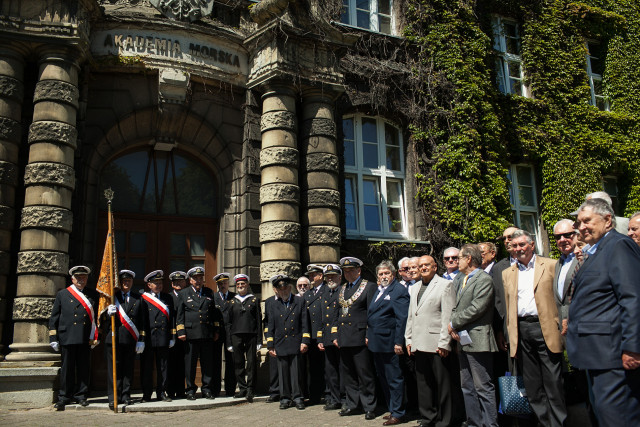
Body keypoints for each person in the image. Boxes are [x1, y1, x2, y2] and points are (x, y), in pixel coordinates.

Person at [567, 198, 640, 425]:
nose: (581, 227)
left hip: (613, 355)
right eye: (579, 222)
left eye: (587, 220)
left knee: (618, 419)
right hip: (596, 354)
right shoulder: (598, 250)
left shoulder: (619, 246)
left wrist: (632, 347)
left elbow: (632, 298)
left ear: (608, 220)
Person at [502, 230, 566, 427]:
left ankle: (558, 423)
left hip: (545, 327)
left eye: (522, 245)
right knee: (532, 383)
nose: (519, 249)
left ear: (532, 245)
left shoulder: (551, 265)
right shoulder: (507, 273)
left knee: (553, 381)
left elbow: (560, 298)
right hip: (521, 330)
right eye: (515, 246)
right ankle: (543, 422)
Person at [448, 244, 499, 427]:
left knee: (483, 386)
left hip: (478, 339)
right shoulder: (461, 279)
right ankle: (474, 423)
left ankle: (490, 423)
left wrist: (454, 322)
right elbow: (455, 305)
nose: (456, 261)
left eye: (459, 257)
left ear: (469, 258)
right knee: (467, 386)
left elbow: (477, 308)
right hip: (462, 340)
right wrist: (452, 323)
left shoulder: (483, 279)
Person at [405, 255, 456, 427]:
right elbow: (412, 315)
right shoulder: (416, 287)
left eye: (427, 265)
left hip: (436, 344)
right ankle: (428, 418)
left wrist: (444, 342)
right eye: (420, 265)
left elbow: (447, 316)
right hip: (419, 343)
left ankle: (445, 421)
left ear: (435, 267)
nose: (423, 268)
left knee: (443, 385)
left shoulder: (445, 285)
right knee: (423, 385)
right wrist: (408, 339)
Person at [49, 266, 99, 410]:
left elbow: (96, 318)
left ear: (87, 279)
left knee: (83, 367)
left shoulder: (92, 295)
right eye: (78, 278)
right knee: (67, 369)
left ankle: (81, 395)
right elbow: (54, 317)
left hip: (84, 336)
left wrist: (97, 335)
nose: (81, 280)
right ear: (72, 279)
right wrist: (53, 338)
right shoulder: (63, 294)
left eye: (83, 278)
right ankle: (64, 396)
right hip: (67, 336)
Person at [367, 260, 410, 426]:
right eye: (381, 274)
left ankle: (399, 413)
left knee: (394, 378)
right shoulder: (380, 291)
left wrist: (399, 341)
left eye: (386, 273)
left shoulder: (398, 290)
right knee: (383, 377)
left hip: (390, 342)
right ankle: (393, 408)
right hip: (377, 342)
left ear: (393, 274)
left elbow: (401, 318)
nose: (383, 276)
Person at [335, 257, 378, 420]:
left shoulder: (369, 287)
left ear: (358, 270)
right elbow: (338, 314)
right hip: (344, 337)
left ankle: (369, 406)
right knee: (349, 374)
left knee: (364, 373)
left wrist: (368, 334)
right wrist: (336, 335)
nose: (348, 273)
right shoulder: (343, 288)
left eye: (351, 270)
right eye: (345, 271)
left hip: (360, 337)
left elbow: (371, 313)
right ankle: (353, 404)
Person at [176, 266, 222, 400]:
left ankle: (207, 389)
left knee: (207, 363)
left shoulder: (209, 292)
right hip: (190, 334)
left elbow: (214, 314)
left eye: (200, 278)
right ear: (190, 280)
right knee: (190, 364)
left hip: (206, 333)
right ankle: (190, 390)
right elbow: (180, 315)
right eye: (195, 278)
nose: (198, 281)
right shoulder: (184, 294)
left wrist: (216, 330)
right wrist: (181, 331)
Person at [266, 274, 310, 410]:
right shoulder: (273, 304)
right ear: (277, 291)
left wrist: (305, 341)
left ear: (290, 288)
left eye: (285, 289)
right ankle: (284, 398)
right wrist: (270, 345)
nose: (283, 292)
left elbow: (304, 323)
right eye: (281, 290)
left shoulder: (299, 301)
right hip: (280, 343)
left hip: (295, 341)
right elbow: (270, 325)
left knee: (296, 372)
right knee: (283, 373)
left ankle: (298, 398)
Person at [103, 269, 145, 409]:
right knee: (114, 369)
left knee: (128, 369)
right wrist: (108, 314)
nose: (126, 283)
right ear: (119, 283)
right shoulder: (111, 297)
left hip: (130, 339)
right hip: (114, 338)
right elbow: (101, 322)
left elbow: (142, 321)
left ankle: (126, 395)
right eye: (124, 281)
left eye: (129, 281)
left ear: (132, 282)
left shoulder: (137, 298)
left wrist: (141, 339)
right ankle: (113, 396)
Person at [140, 270, 176, 403]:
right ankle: (147, 394)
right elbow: (142, 320)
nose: (159, 285)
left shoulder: (167, 298)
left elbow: (172, 318)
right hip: (149, 338)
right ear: (149, 285)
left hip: (163, 337)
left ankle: (162, 392)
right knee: (147, 368)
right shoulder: (143, 298)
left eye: (160, 283)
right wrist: (141, 339)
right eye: (156, 283)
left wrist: (172, 336)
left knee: (163, 368)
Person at [225, 274, 261, 402]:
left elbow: (258, 321)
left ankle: (251, 388)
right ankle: (242, 388)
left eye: (243, 284)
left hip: (251, 335)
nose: (240, 286)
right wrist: (229, 342)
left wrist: (259, 340)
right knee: (238, 363)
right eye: (238, 285)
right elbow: (228, 323)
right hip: (236, 335)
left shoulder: (254, 300)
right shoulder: (232, 302)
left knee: (251, 363)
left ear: (247, 285)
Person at [318, 263, 343, 411]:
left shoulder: (343, 291)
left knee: (343, 370)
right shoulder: (325, 294)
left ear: (340, 277)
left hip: (340, 338)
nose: (330, 279)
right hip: (327, 339)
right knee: (330, 371)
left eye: (333, 276)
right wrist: (320, 338)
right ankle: (335, 399)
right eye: (328, 277)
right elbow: (322, 318)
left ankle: (345, 398)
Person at [303, 264, 326, 404]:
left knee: (327, 367)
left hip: (323, 336)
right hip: (310, 336)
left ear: (321, 276)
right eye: (310, 275)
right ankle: (315, 395)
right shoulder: (308, 294)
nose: (311, 277)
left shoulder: (327, 290)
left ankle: (328, 395)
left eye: (313, 275)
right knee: (313, 367)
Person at [551, 219, 579, 337]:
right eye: (558, 237)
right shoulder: (558, 264)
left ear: (577, 235)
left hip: (580, 323)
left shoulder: (584, 259)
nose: (562, 240)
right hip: (564, 328)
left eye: (567, 235)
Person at [212, 272, 236, 397]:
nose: (223, 285)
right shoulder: (213, 297)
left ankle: (230, 389)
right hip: (217, 332)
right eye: (220, 283)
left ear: (228, 284)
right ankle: (215, 389)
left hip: (231, 333)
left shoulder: (234, 296)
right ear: (217, 285)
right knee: (216, 361)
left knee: (230, 361)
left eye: (225, 283)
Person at [167, 271, 187, 399]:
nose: (178, 284)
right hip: (171, 336)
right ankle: (170, 391)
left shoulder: (188, 295)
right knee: (170, 365)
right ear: (172, 284)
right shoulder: (168, 297)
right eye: (175, 282)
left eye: (180, 281)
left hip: (185, 336)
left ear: (185, 282)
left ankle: (181, 391)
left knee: (183, 364)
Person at [263, 281, 280, 403]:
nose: (279, 289)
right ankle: (275, 391)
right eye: (277, 287)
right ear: (274, 289)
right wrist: (269, 340)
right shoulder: (269, 301)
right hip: (274, 339)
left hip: (287, 338)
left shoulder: (291, 299)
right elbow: (266, 322)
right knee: (274, 368)